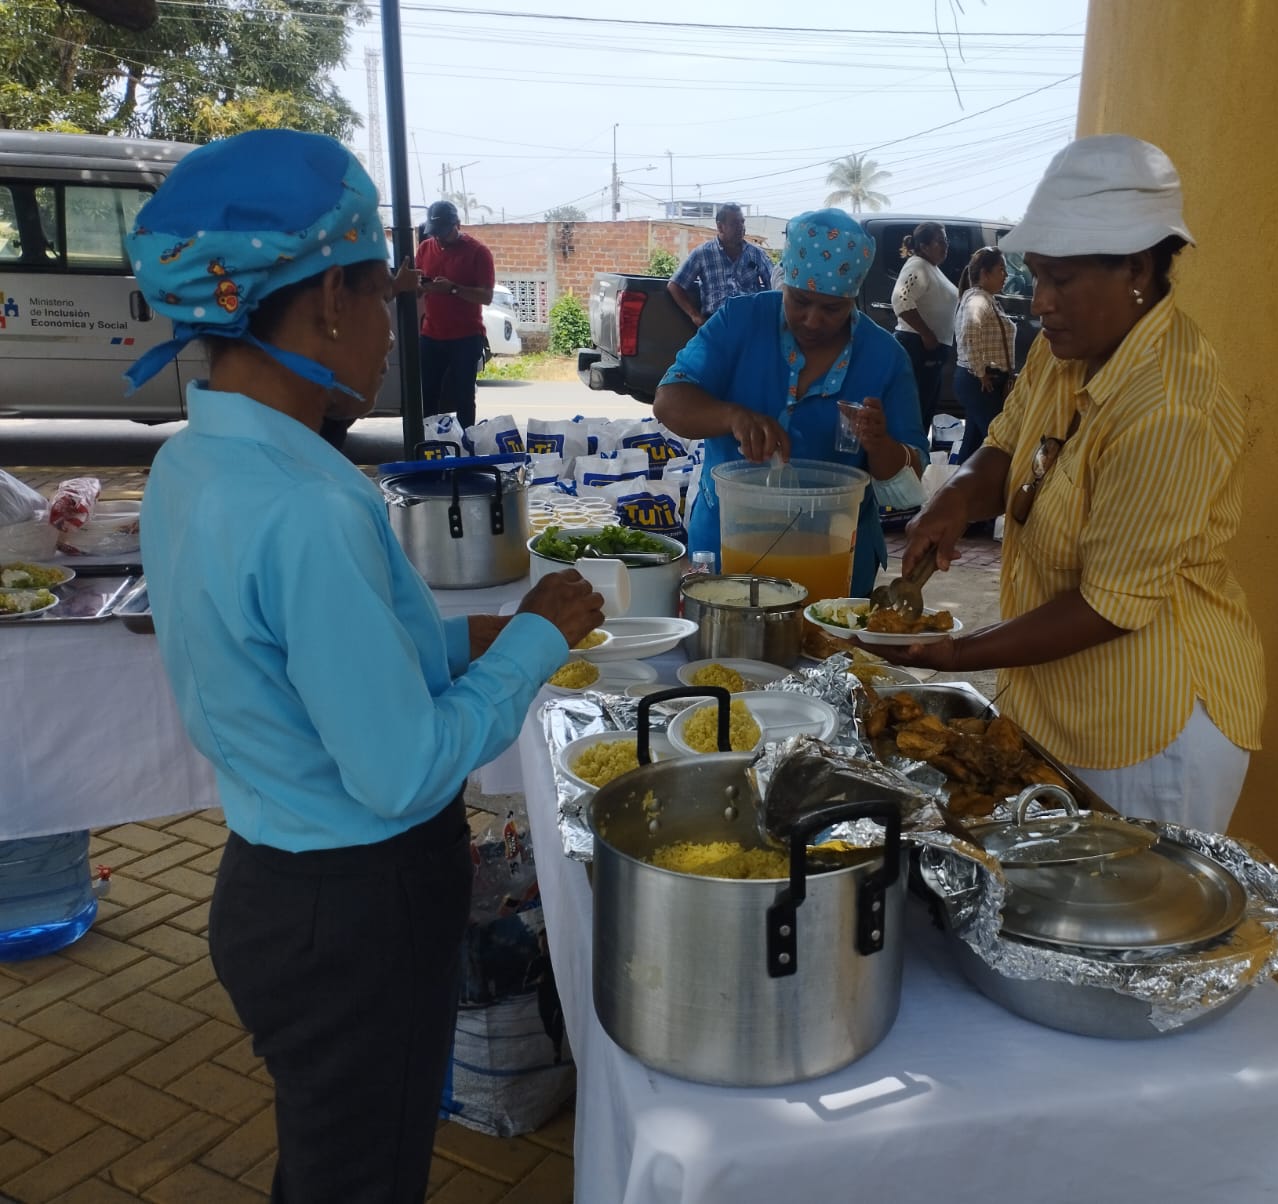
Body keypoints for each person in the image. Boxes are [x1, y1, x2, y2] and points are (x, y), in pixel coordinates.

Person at [121, 129, 603, 1203]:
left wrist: (459, 641)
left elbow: (289, 657)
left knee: (334, 1163)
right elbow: (399, 768)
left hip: (275, 887)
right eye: (383, 294)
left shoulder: (194, 463)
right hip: (357, 909)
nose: (395, 326)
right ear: (330, 299)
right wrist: (537, 639)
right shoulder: (308, 507)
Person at [883, 136, 1267, 835]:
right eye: (1037, 277)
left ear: (1138, 268)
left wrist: (957, 653)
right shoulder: (1065, 352)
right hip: (1058, 703)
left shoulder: (1168, 405)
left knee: (1125, 901)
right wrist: (956, 498)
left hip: (1151, 729)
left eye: (1061, 280)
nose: (1043, 303)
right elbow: (1004, 447)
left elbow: (1108, 606)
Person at [653, 207, 927, 598]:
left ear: (853, 298)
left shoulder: (885, 358)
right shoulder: (740, 321)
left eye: (832, 308)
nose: (812, 320)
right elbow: (669, 401)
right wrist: (732, 416)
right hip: (728, 548)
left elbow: (908, 484)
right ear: (784, 283)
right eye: (799, 301)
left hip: (834, 560)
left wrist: (880, 444)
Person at [411, 198, 495, 430]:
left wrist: (453, 289)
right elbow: (416, 286)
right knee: (427, 395)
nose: (438, 238)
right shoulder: (425, 248)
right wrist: (419, 286)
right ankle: (429, 441)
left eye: (443, 232)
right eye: (434, 232)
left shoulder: (478, 252)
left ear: (457, 224)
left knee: (463, 397)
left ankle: (465, 443)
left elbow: (486, 296)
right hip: (431, 335)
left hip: (466, 337)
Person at [951, 245, 1017, 537]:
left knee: (974, 446)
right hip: (980, 382)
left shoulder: (986, 298)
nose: (1005, 276)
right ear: (985, 273)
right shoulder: (978, 299)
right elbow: (969, 331)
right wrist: (980, 371)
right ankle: (975, 513)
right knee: (997, 444)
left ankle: (965, 514)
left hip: (983, 381)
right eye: (1001, 270)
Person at [890, 220, 959, 433]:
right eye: (940, 241)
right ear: (924, 246)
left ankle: (916, 450)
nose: (946, 246)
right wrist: (927, 334)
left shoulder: (931, 268)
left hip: (930, 350)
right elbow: (901, 300)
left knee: (925, 409)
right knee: (914, 411)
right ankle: (907, 451)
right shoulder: (918, 266)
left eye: (946, 241)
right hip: (917, 347)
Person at [666, 202, 773, 326]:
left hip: (751, 321)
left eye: (742, 222)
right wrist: (695, 316)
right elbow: (674, 285)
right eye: (734, 223)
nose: (741, 227)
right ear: (720, 227)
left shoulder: (757, 254)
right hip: (716, 322)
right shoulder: (703, 253)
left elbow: (775, 285)